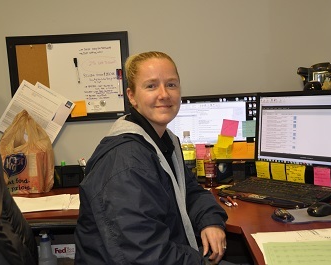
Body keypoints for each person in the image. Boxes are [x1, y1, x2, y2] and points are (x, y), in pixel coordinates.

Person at [74, 51, 229, 264]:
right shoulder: (126, 161)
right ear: (131, 96)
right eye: (151, 86)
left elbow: (189, 191)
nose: (164, 94)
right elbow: (144, 254)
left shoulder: (164, 141)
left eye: (171, 84)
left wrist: (210, 221)